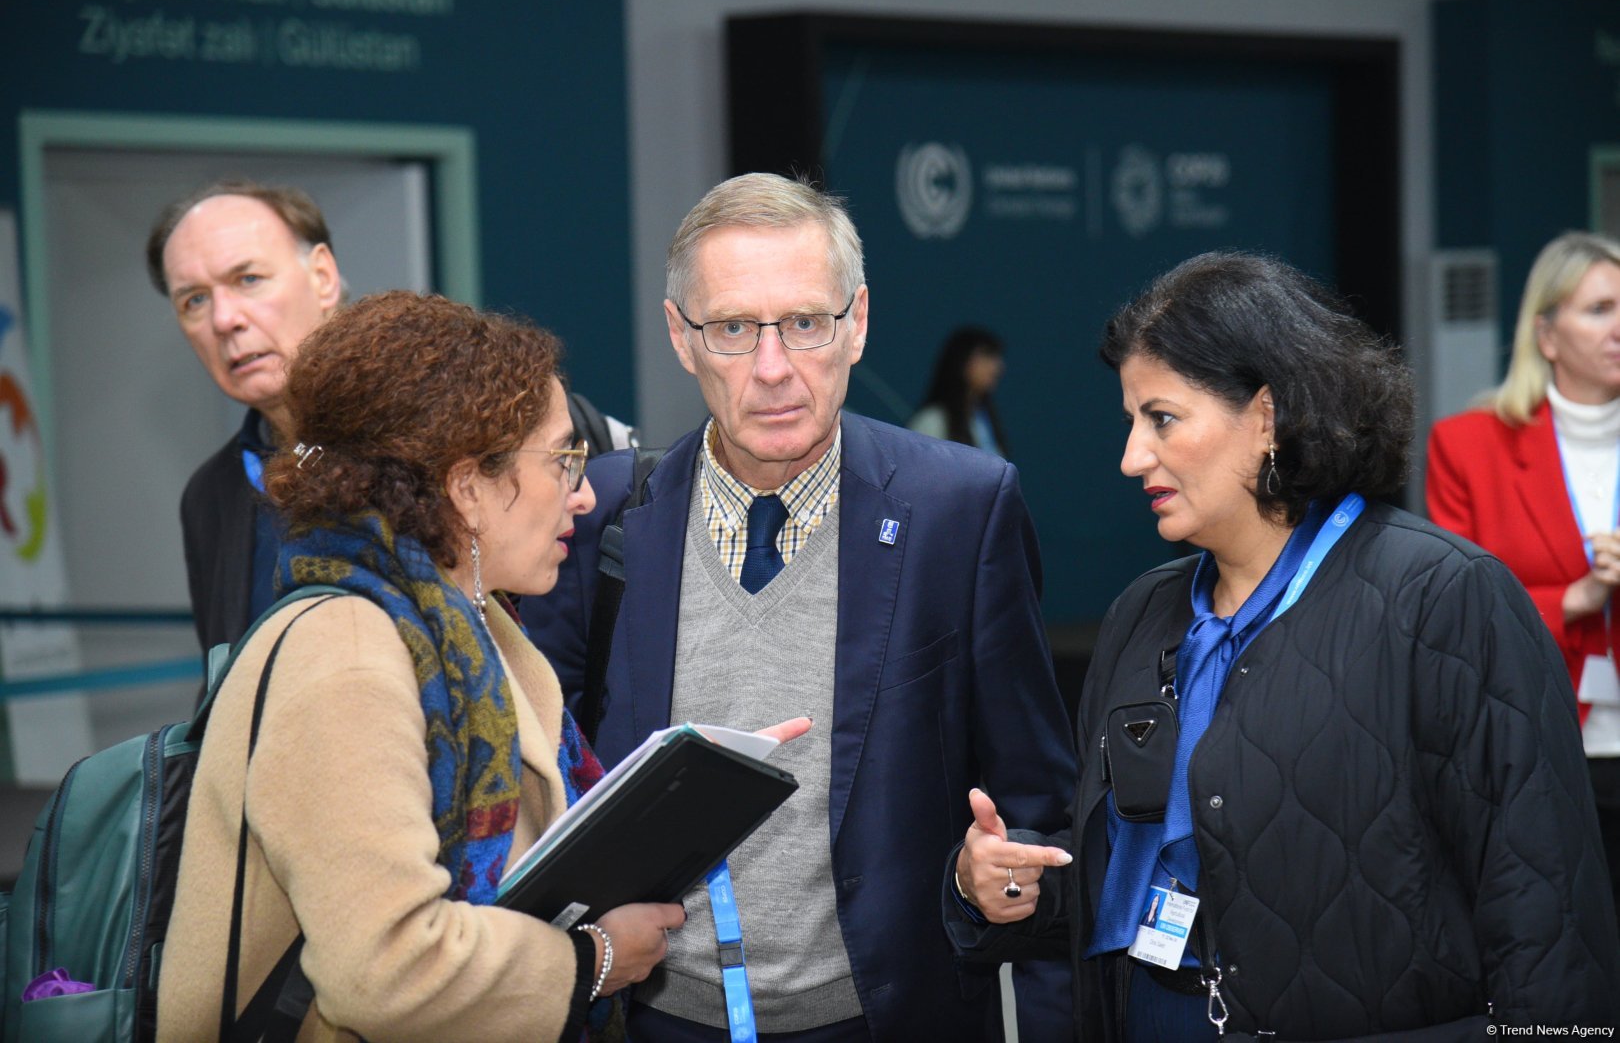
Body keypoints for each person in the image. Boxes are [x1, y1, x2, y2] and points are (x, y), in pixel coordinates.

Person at [949, 252, 1620, 1040]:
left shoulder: (1443, 598)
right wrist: (1008, 886)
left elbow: (1545, 918)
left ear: (1265, 415)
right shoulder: (1144, 614)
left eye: (1161, 419)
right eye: (1131, 422)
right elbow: (1134, 869)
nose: (1132, 457)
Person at [521, 173, 1077, 1042]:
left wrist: (997, 881)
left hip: (888, 1018)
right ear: (681, 338)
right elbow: (542, 799)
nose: (773, 368)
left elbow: (1036, 803)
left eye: (805, 324)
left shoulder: (958, 510)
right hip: (655, 1018)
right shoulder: (601, 518)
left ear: (857, 323)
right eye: (734, 329)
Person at [157, 291, 694, 1041]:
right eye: (563, 458)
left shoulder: (471, 630)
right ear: (468, 487)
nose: (580, 494)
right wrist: (590, 961)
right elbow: (385, 970)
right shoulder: (347, 657)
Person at [1427, 230, 1620, 934]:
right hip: (1538, 739)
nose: (1619, 327)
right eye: (1600, 309)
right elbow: (1459, 616)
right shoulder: (1468, 445)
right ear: (1545, 333)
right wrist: (1575, 599)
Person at [148, 180, 344, 656]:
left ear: (322, 276)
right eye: (194, 299)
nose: (223, 320)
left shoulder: (442, 435)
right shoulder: (211, 495)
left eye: (248, 279)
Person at [908, 326, 1010, 456]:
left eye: (997, 358)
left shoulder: (983, 421)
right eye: (987, 355)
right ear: (961, 360)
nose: (998, 367)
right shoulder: (932, 421)